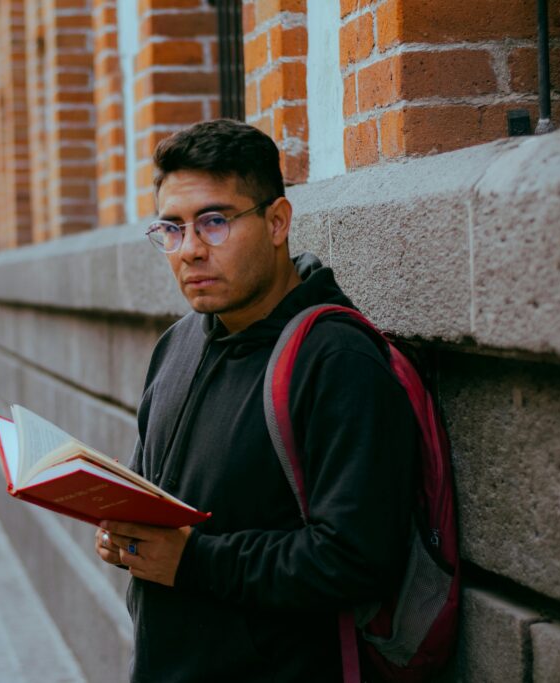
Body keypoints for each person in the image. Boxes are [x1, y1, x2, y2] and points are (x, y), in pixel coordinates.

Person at [94, 119, 419, 682]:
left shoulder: (336, 360)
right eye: (171, 228)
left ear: (276, 222)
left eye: (214, 222)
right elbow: (155, 489)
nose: (190, 250)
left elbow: (357, 560)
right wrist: (126, 532)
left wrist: (193, 560)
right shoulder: (179, 343)